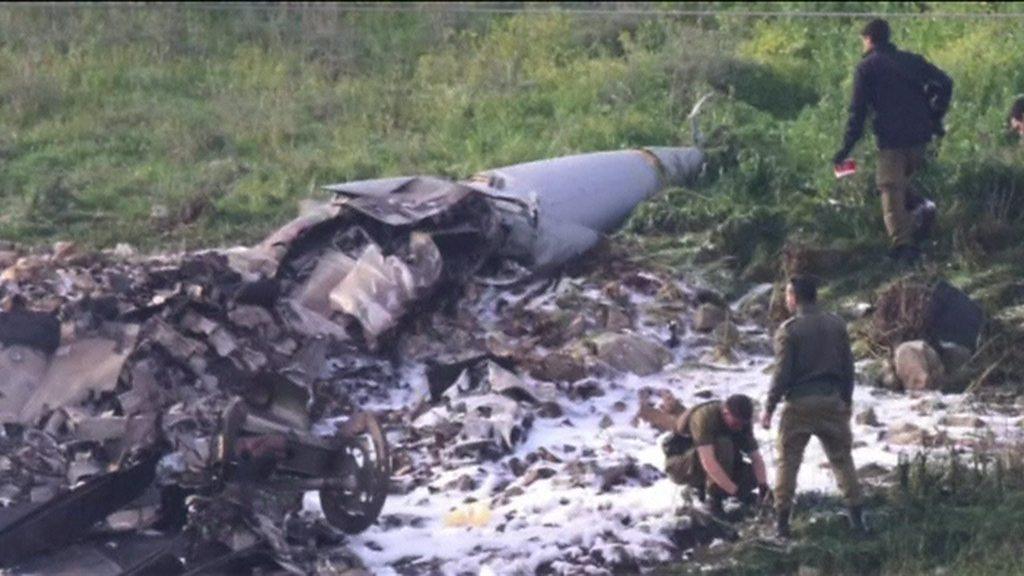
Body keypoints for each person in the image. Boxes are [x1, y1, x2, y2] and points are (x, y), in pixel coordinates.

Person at [833, 18, 953, 266]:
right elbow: (946, 82)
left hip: (892, 140)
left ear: (868, 39)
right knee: (901, 184)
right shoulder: (911, 60)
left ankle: (903, 246)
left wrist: (845, 148)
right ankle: (924, 210)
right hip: (921, 136)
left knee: (889, 188)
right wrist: (935, 115)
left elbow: (858, 112)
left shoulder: (866, 68)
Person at [760, 275, 864, 539]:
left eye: (787, 294)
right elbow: (848, 368)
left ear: (794, 297)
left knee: (788, 462)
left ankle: (782, 525)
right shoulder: (836, 324)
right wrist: (846, 400)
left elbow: (782, 374)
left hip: (799, 405)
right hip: (832, 400)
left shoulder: (789, 330)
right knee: (842, 460)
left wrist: (769, 408)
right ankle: (857, 520)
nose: (785, 298)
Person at [639, 392, 770, 516]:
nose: (739, 427)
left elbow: (756, 458)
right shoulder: (705, 417)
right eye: (736, 423)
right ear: (725, 412)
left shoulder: (742, 423)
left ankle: (717, 492)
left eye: (743, 424)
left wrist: (763, 487)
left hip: (712, 461)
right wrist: (735, 491)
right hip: (680, 464)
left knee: (751, 476)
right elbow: (709, 462)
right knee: (723, 444)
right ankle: (713, 500)